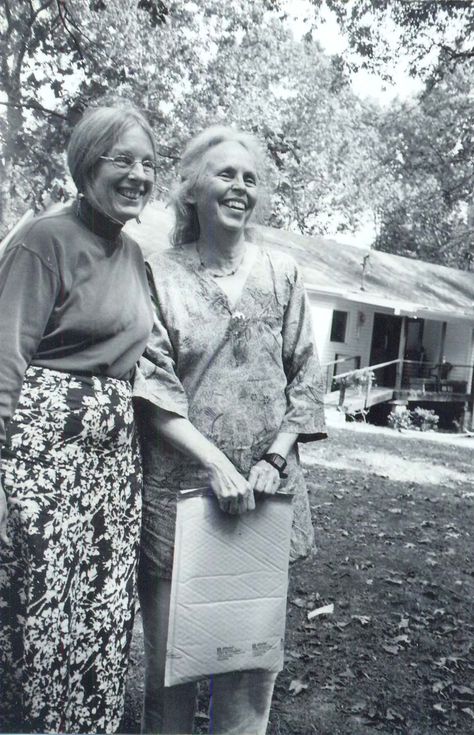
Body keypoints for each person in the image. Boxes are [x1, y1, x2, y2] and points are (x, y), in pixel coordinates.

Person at [134, 125, 327, 734]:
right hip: (179, 501)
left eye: (250, 177)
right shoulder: (154, 274)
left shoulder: (282, 272)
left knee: (247, 681)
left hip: (264, 501)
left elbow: (307, 376)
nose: (240, 187)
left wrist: (274, 458)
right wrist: (216, 464)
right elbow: (151, 383)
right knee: (172, 678)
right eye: (225, 174)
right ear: (191, 189)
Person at [0, 104, 156, 734]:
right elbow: (5, 358)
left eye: (148, 162)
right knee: (39, 626)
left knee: (101, 619)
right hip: (43, 456)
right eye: (123, 159)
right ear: (87, 163)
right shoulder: (44, 239)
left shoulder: (135, 253)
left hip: (112, 466)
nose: (139, 175)